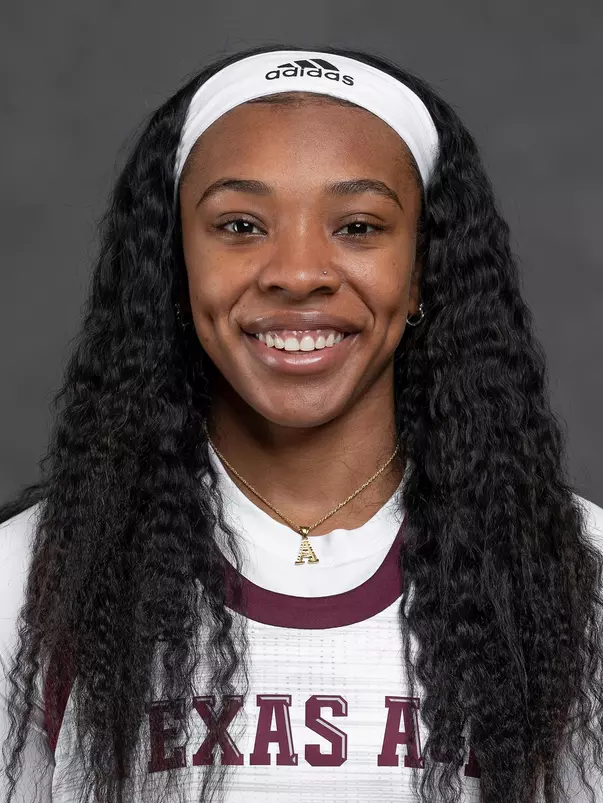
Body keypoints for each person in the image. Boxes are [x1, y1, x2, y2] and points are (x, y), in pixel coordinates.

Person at [1, 42, 602, 803]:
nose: (297, 271)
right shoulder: (25, 587)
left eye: (357, 226)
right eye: (241, 224)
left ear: (421, 269)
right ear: (174, 264)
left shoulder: (577, 579)